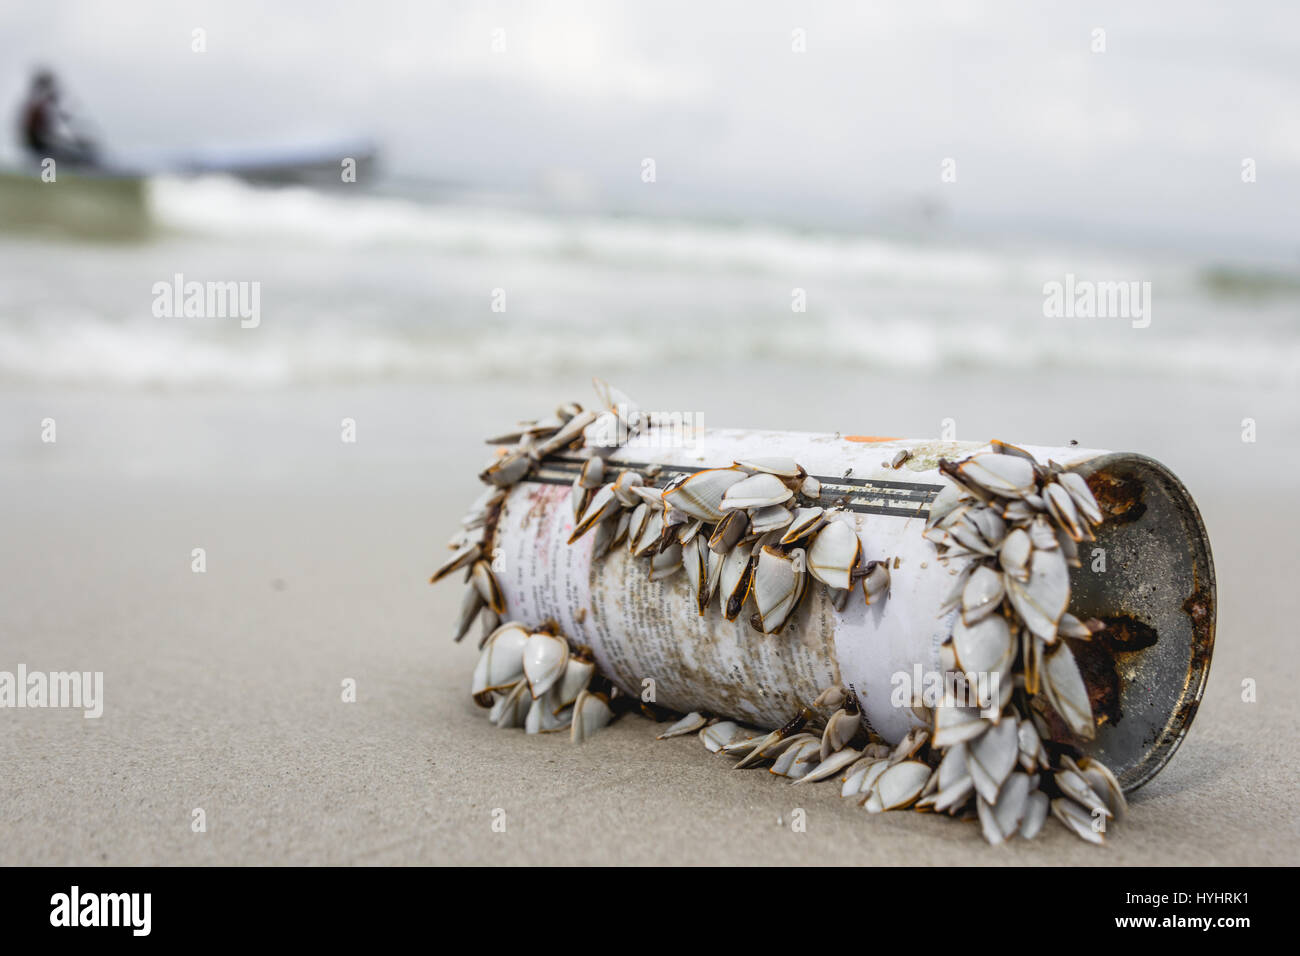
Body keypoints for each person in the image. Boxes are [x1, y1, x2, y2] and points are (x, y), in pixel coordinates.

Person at [19, 69, 100, 168]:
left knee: (79, 151)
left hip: (42, 143)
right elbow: (40, 134)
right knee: (77, 155)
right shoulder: (38, 105)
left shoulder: (41, 103)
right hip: (40, 145)